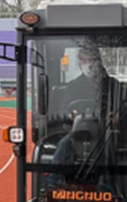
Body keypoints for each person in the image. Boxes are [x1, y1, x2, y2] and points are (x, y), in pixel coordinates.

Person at [46, 45, 120, 189]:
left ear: (99, 61)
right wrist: (70, 114)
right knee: (63, 144)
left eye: (92, 59)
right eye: (84, 60)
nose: (89, 64)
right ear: (80, 63)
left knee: (107, 147)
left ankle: (107, 186)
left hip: (105, 132)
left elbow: (125, 108)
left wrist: (116, 116)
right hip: (78, 131)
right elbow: (64, 109)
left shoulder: (113, 84)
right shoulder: (73, 86)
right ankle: (52, 184)